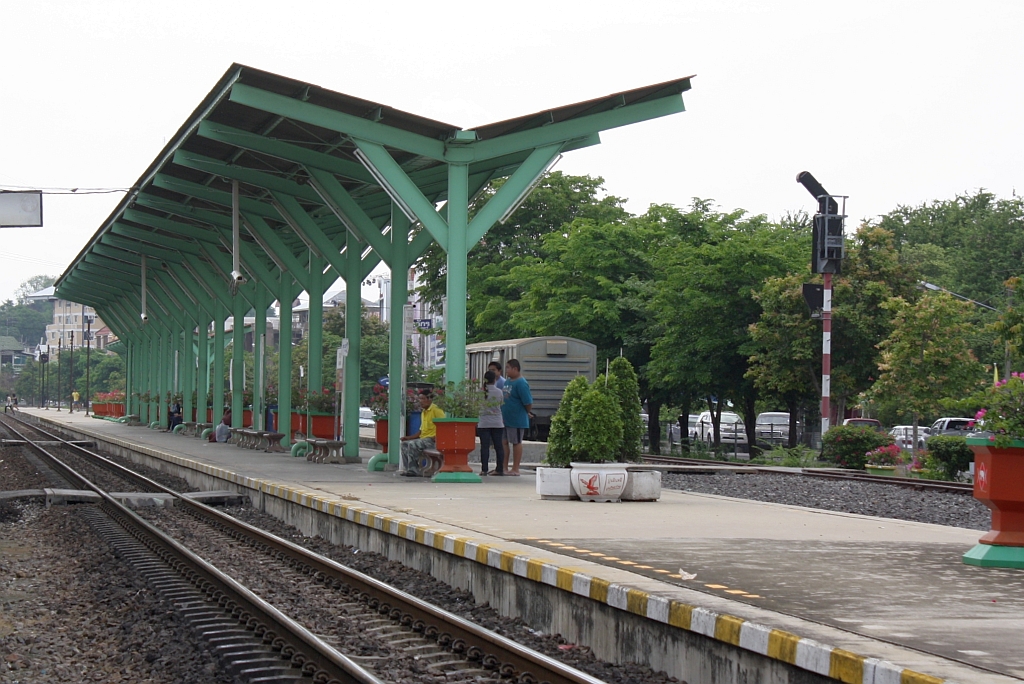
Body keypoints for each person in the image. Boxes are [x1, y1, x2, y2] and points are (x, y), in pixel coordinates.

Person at [399, 390, 445, 477]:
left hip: (432, 440)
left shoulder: (436, 410)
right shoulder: (423, 412)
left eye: (423, 399)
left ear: (429, 399)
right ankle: (408, 469)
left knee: (412, 444)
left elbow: (444, 426)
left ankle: (414, 470)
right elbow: (421, 431)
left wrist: (437, 437)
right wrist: (408, 438)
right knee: (404, 444)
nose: (420, 401)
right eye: (419, 399)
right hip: (423, 440)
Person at [500, 359, 533, 476]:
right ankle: (503, 467)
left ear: (515, 369)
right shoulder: (507, 382)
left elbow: (528, 402)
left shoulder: (521, 383)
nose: (506, 370)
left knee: (516, 442)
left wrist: (527, 412)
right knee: (503, 442)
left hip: (517, 419)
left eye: (508, 368)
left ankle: (515, 468)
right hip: (505, 418)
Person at [477, 371, 504, 475]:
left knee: (484, 447)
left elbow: (477, 405)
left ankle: (484, 469)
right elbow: (501, 404)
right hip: (497, 422)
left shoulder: (480, 392)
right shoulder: (499, 392)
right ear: (494, 380)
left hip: (484, 423)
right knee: (499, 447)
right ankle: (499, 469)